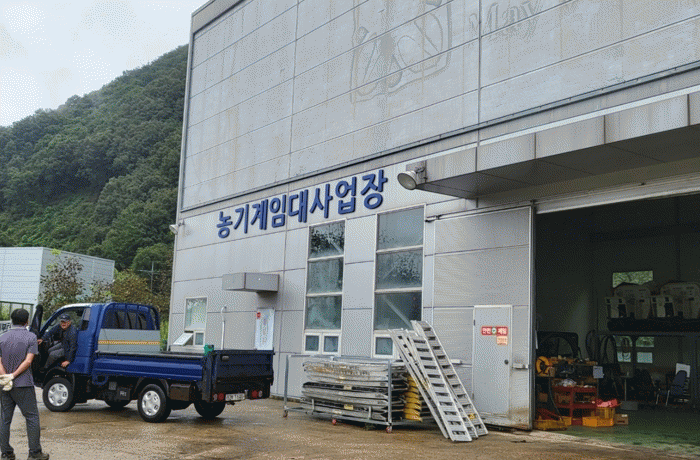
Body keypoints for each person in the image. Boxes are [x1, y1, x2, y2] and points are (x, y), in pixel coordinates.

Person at [0, 309, 50, 460]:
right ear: (27, 321)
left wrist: (6, 377)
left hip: (5, 384)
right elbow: (28, 361)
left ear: (12, 320)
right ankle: (34, 453)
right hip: (23, 384)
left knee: (4, 419)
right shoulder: (31, 337)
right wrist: (14, 375)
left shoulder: (2, 337)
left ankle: (6, 453)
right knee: (32, 417)